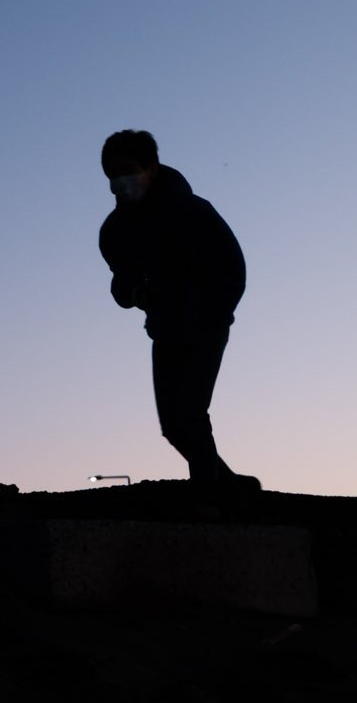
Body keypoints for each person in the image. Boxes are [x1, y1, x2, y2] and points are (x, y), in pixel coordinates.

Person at [98, 130, 258, 494]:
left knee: (190, 414)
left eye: (127, 170)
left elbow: (234, 270)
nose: (117, 181)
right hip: (166, 332)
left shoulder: (194, 213)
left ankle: (208, 499)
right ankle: (229, 485)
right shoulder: (114, 231)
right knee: (173, 426)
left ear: (151, 168)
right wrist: (137, 294)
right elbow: (121, 284)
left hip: (206, 327)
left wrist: (213, 314)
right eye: (110, 174)